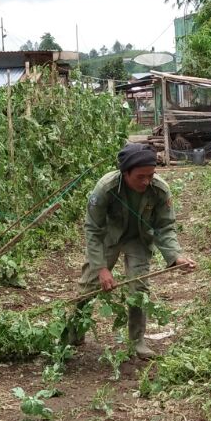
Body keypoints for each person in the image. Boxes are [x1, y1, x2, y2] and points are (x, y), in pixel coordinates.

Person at [68, 142, 196, 358]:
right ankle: (73, 334)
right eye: (140, 176)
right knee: (88, 286)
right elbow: (93, 229)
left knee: (139, 289)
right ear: (125, 173)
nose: (147, 181)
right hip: (108, 237)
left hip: (139, 238)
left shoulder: (159, 189)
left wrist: (176, 256)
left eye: (151, 175)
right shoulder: (105, 188)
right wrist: (100, 268)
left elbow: (165, 226)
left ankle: (137, 341)